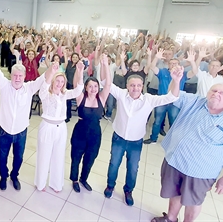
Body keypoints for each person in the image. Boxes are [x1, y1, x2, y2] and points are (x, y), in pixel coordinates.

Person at [151, 83, 223, 222]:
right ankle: (171, 218)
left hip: (200, 172)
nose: (216, 94)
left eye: (221, 93)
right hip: (175, 161)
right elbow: (173, 96)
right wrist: (176, 79)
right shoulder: (195, 101)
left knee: (193, 201)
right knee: (175, 192)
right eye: (213, 90)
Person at [104, 66, 182, 206]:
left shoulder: (149, 99)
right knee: (114, 164)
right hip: (119, 138)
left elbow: (172, 97)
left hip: (136, 142)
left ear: (143, 86)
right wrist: (104, 65)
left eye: (139, 85)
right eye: (132, 85)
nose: (135, 88)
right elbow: (106, 83)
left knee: (133, 168)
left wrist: (176, 81)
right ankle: (110, 186)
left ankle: (128, 191)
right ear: (127, 86)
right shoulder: (121, 94)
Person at [0, 57, 45, 191]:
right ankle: (3, 177)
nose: (18, 78)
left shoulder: (29, 88)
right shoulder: (4, 85)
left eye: (20, 76)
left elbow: (42, 79)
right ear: (11, 76)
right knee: (2, 155)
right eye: (15, 75)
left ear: (25, 77)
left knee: (19, 157)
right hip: (4, 129)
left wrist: (53, 69)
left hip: (21, 131)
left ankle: (14, 176)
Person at [35, 61, 84, 192]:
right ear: (53, 81)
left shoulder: (65, 94)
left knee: (58, 156)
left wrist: (80, 73)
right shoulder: (45, 94)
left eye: (62, 81)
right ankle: (40, 183)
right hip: (47, 127)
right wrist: (51, 71)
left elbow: (79, 90)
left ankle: (56, 184)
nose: (60, 84)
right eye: (57, 81)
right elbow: (45, 85)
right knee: (44, 156)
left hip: (61, 128)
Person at [70, 56, 111, 193]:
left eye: (95, 86)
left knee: (90, 158)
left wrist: (105, 65)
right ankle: (74, 179)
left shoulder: (102, 98)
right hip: (80, 132)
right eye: (90, 86)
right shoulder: (81, 97)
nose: (93, 89)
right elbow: (77, 85)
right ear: (86, 88)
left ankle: (83, 178)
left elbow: (109, 84)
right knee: (76, 157)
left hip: (95, 134)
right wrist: (80, 71)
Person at [145, 50, 189, 144]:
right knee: (157, 121)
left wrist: (193, 61)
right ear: (168, 65)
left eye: (175, 63)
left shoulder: (183, 74)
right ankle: (153, 139)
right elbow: (152, 67)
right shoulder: (162, 72)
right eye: (171, 63)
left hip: (176, 102)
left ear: (179, 65)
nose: (173, 65)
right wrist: (156, 57)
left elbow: (195, 71)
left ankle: (172, 141)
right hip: (162, 100)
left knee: (174, 122)